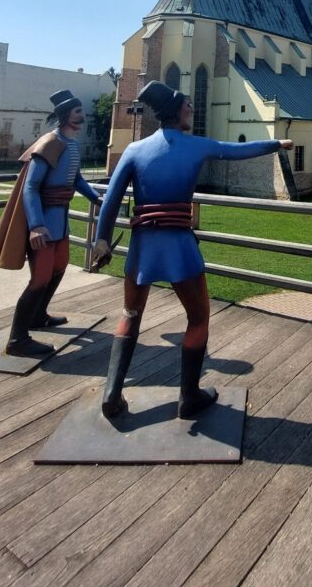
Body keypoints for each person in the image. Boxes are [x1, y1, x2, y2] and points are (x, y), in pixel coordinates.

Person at [92, 79, 292, 421]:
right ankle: (189, 396)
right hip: (179, 248)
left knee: (130, 314)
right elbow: (235, 150)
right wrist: (276, 143)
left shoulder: (134, 150)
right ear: (176, 111)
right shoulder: (196, 146)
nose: (193, 110)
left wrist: (102, 240)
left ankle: (112, 393)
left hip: (142, 248)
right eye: (188, 106)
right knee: (198, 316)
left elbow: (110, 199)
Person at [0, 90, 102, 357]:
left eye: (81, 112)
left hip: (60, 221)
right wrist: (36, 225)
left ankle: (39, 315)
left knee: (59, 268)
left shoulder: (71, 144)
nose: (82, 116)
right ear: (65, 116)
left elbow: (76, 179)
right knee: (39, 279)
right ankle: (17, 339)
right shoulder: (49, 142)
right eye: (77, 112)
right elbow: (31, 187)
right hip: (45, 222)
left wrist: (95, 198)